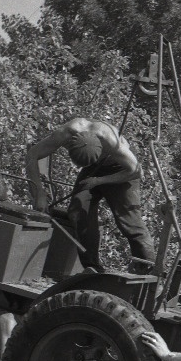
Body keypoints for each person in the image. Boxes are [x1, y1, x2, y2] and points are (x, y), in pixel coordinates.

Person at [26, 117, 156, 273]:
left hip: (121, 171)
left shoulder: (112, 142)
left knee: (129, 221)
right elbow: (32, 155)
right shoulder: (66, 133)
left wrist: (99, 180)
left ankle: (148, 270)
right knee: (77, 212)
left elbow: (136, 172)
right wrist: (39, 193)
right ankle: (92, 268)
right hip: (93, 170)